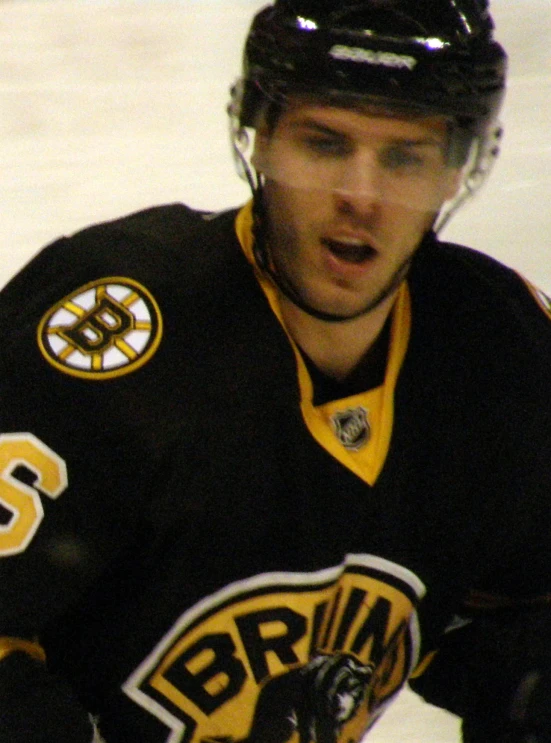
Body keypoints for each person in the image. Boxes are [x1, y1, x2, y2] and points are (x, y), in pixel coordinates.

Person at [0, 0, 549, 741]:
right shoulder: (116, 333)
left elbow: (500, 612)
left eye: (404, 156)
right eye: (325, 143)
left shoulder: (497, 351)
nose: (362, 195)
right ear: (259, 138)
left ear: (455, 170)